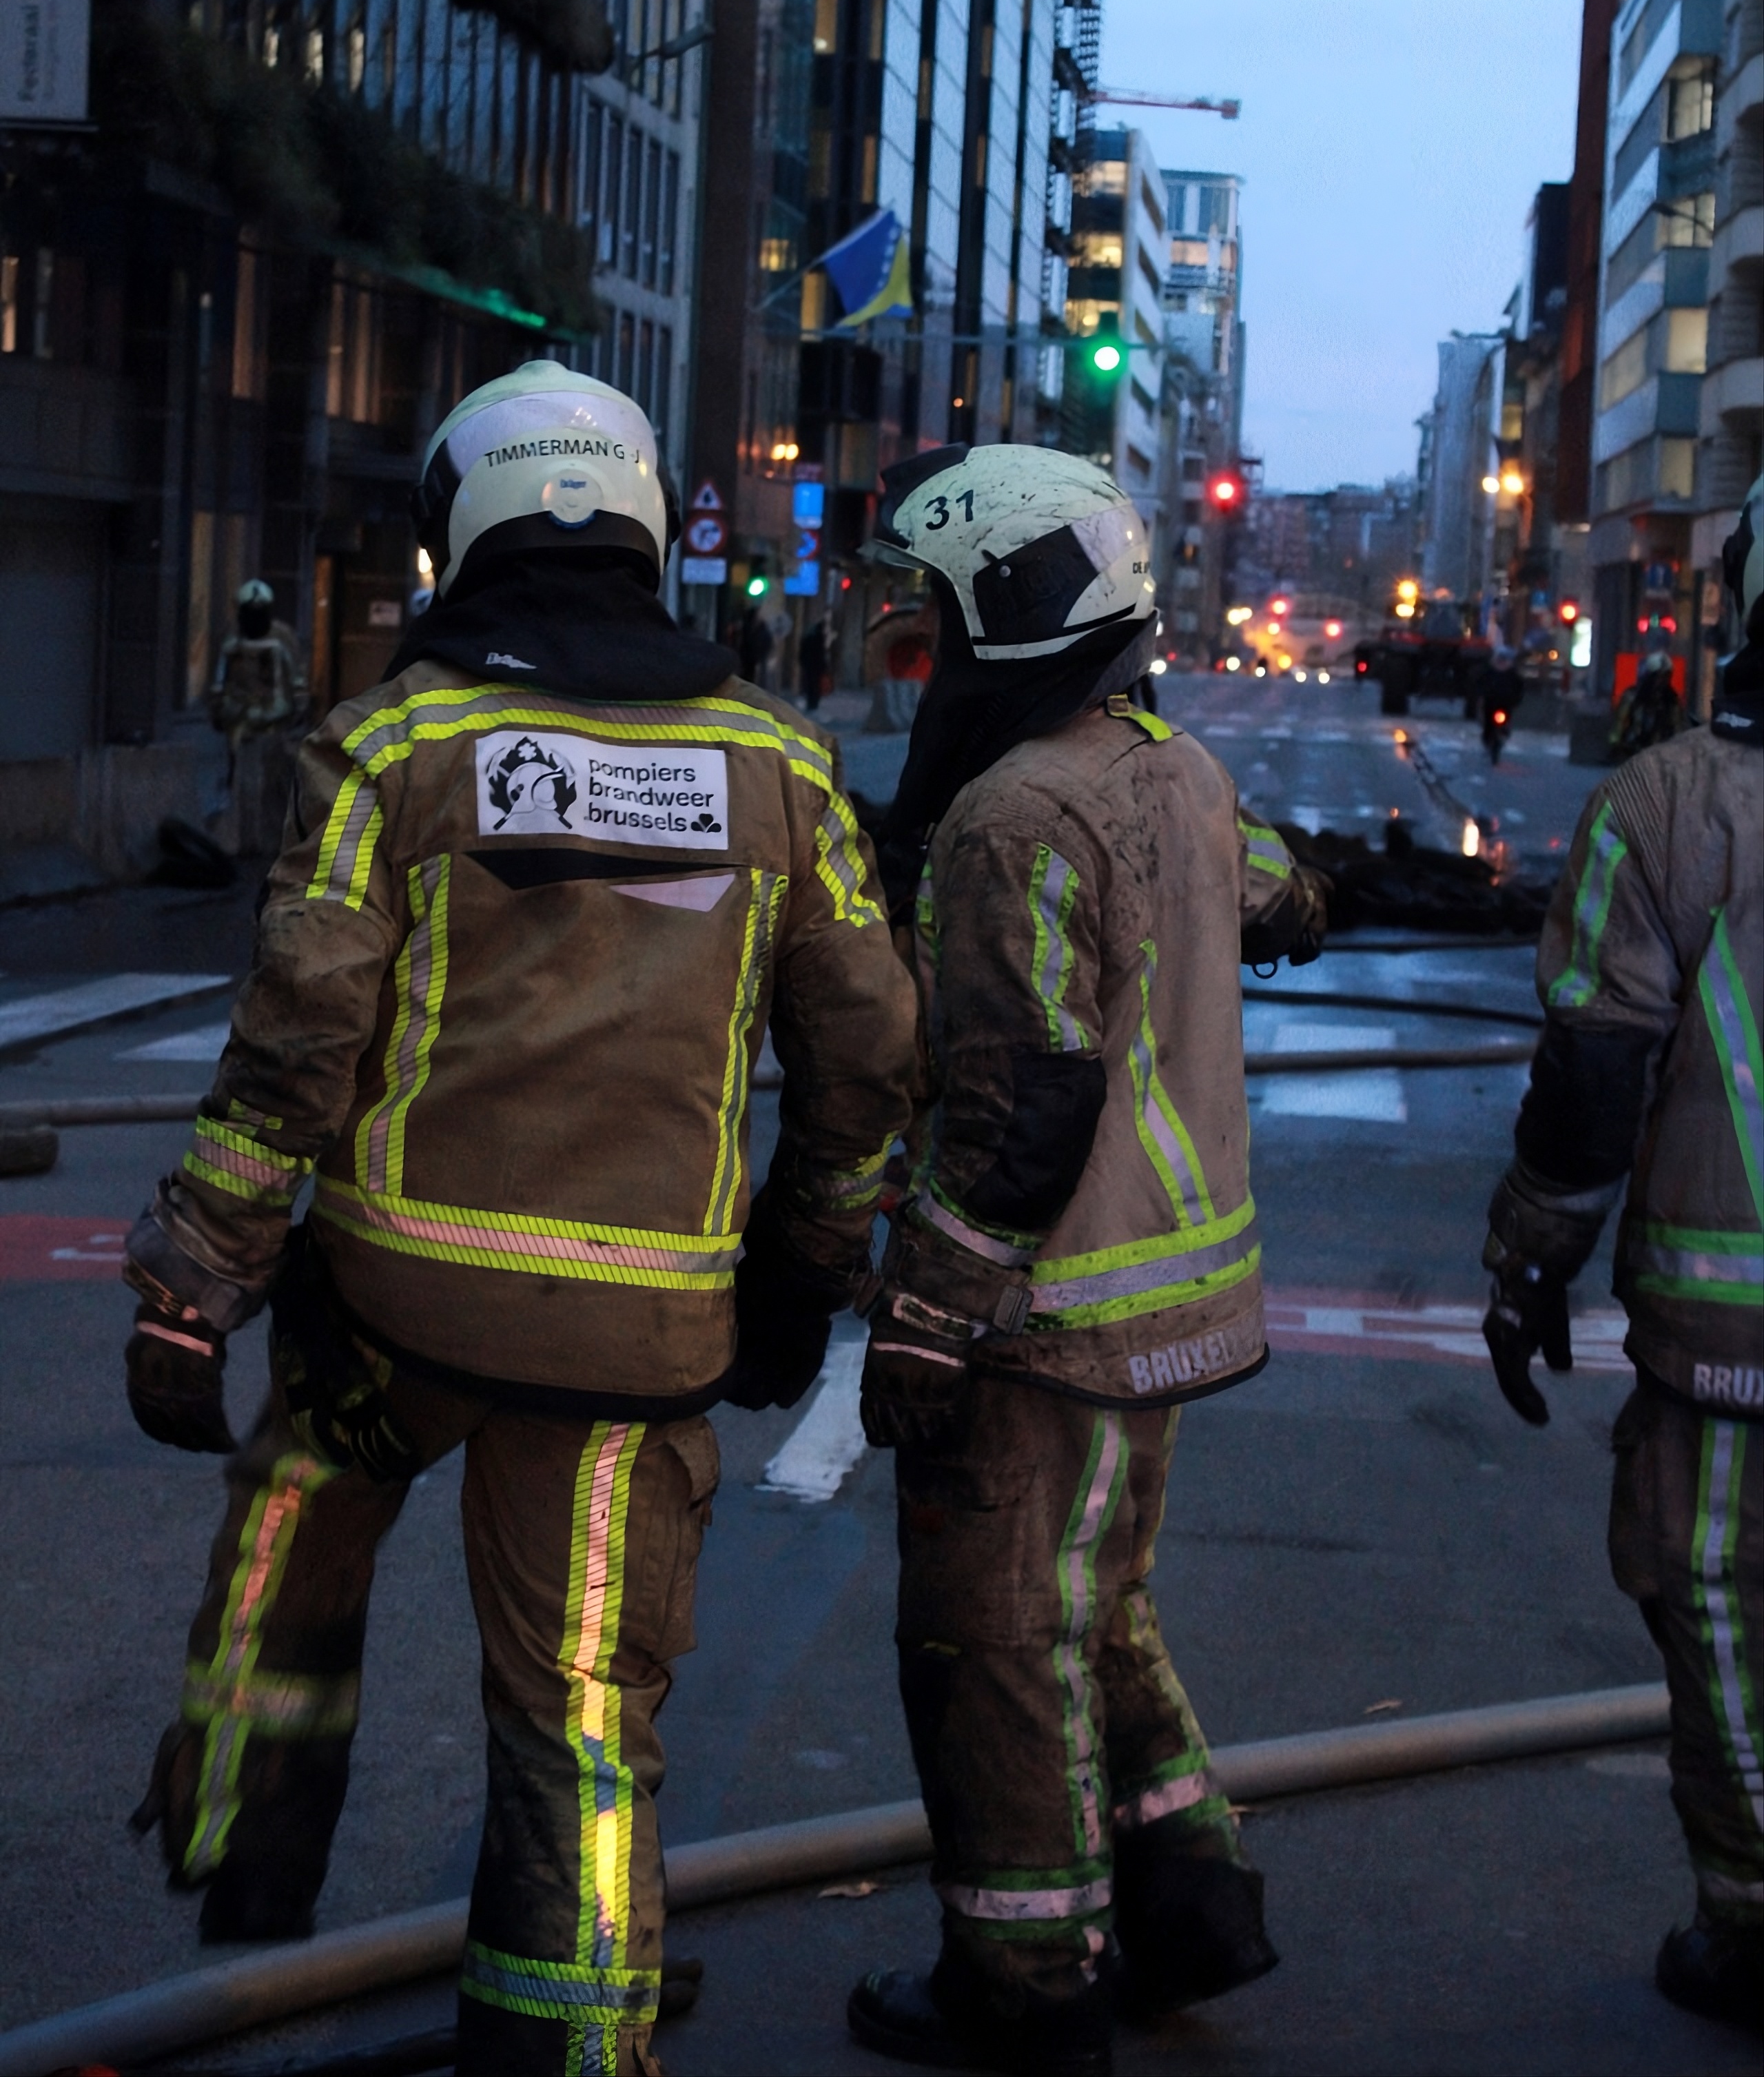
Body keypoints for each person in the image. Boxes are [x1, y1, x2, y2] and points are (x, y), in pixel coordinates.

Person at [121, 361, 919, 2077]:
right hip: (635, 1342)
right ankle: (571, 2032)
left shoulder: (396, 744)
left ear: (459, 527)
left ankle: (242, 1838)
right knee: (582, 1712)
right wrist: (800, 1268)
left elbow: (294, 1045)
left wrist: (194, 1285)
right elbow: (866, 1055)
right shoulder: (778, 764)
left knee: (295, 1509)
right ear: (644, 525)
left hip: (393, 1308)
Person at [843, 444, 1332, 2077]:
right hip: (1166, 1296)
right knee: (1097, 1605)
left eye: (932, 616)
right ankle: (1190, 1903)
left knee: (989, 1636)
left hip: (1044, 1313)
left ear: (1008, 608)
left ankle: (1025, 1978)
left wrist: (928, 1311)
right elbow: (1283, 898)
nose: (917, 648)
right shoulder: (1169, 770)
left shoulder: (1009, 813)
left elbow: (1019, 1097)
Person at [1480, 474, 1763, 2036]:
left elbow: (1594, 1072)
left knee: (1712, 1587)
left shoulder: (1669, 803)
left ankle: (1754, 1919)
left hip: (1733, 1331)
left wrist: (1530, 1261)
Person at [209, 578, 308, 852]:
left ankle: (270, 838)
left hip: (274, 722)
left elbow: (297, 678)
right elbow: (220, 677)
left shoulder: (282, 638)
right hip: (239, 721)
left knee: (272, 784)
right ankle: (238, 838)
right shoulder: (232, 638)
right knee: (238, 781)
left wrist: (299, 710)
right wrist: (219, 708)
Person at [1610, 646, 1690, 759]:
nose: (1662, 682)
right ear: (1649, 677)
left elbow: (1677, 728)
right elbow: (1619, 724)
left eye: (1666, 677)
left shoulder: (1671, 700)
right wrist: (1616, 745)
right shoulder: (1633, 697)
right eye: (1658, 677)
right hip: (1632, 752)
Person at [1479, 643, 1524, 766]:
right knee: (1488, 724)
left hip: (1505, 704)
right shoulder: (1490, 673)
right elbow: (1481, 685)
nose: (1502, 663)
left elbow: (1519, 689)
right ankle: (1490, 741)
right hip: (1491, 703)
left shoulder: (1512, 675)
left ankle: (1501, 736)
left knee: (1504, 723)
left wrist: (1516, 700)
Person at [799, 615, 830, 715]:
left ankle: (811, 703)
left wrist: (804, 663)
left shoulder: (808, 639)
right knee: (815, 687)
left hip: (810, 667)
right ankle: (813, 704)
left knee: (810, 686)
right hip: (816, 668)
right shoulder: (819, 639)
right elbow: (821, 655)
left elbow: (802, 654)